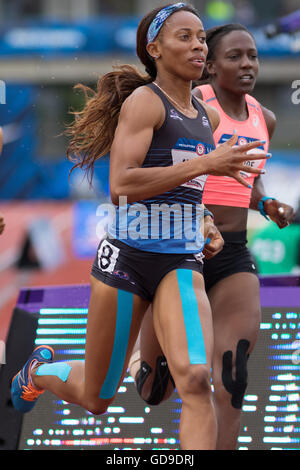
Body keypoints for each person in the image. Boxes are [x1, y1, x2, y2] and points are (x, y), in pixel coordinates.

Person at [11, 5, 268, 450]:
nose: (197, 46)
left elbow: (188, 185)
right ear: (155, 49)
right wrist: (209, 162)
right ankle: (39, 372)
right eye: (184, 37)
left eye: (202, 38)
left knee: (195, 376)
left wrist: (204, 219)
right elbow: (122, 185)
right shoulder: (145, 102)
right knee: (96, 397)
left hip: (180, 261)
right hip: (127, 261)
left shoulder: (204, 116)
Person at [129, 22, 295, 450]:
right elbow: (161, 169)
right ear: (210, 66)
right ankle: (139, 355)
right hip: (182, 252)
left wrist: (265, 202)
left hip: (234, 253)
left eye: (253, 56)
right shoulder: (192, 106)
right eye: (234, 56)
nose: (246, 64)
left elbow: (246, 178)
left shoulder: (265, 118)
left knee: (233, 376)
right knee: (154, 390)